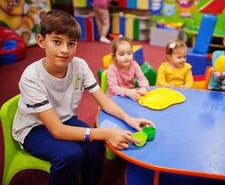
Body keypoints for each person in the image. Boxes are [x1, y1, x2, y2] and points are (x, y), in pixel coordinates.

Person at [12, 9, 154, 185]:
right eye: (57, 42)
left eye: (71, 44)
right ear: (41, 41)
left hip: (64, 119)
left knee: (95, 146)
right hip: (33, 129)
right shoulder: (31, 76)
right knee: (70, 155)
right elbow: (57, 130)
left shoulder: (80, 66)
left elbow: (104, 102)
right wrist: (106, 133)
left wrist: (129, 119)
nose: (65, 50)